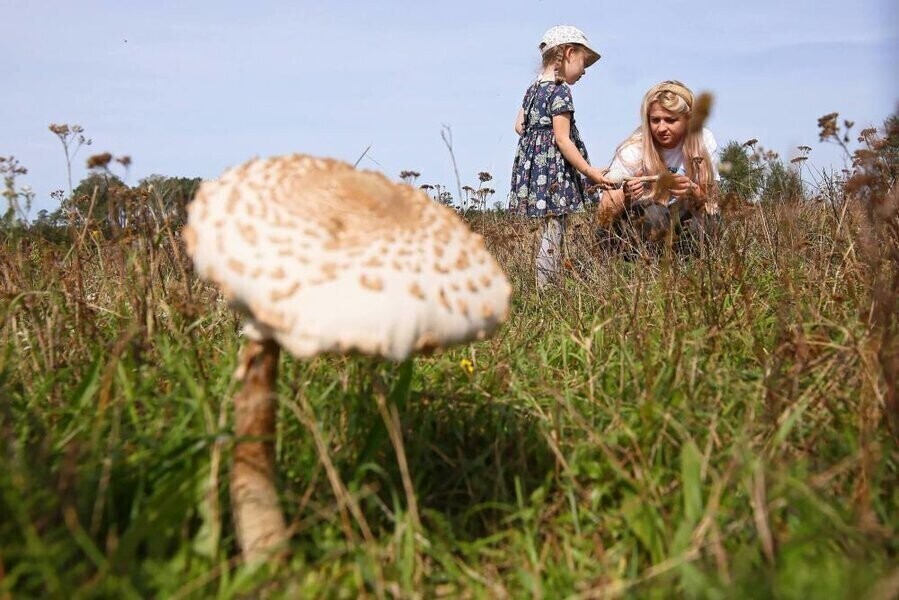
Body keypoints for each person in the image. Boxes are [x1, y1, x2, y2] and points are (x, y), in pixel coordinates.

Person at [508, 25, 613, 288]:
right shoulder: (560, 90)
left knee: (550, 227)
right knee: (556, 228)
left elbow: (519, 126)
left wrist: (535, 139)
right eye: (583, 62)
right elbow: (562, 139)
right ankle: (546, 288)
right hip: (554, 170)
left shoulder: (533, 89)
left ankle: (545, 284)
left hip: (535, 168)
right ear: (568, 53)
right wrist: (589, 171)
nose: (585, 70)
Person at [598, 80, 720, 252]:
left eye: (670, 120)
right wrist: (626, 197)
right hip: (637, 231)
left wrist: (693, 192)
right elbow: (603, 215)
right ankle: (645, 265)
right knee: (655, 214)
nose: (661, 128)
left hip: (679, 222)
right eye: (655, 120)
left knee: (710, 219)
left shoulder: (703, 141)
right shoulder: (633, 149)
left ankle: (689, 264)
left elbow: (712, 202)